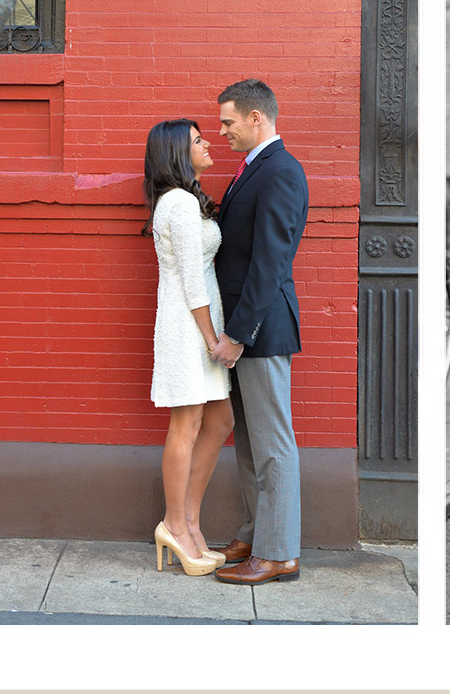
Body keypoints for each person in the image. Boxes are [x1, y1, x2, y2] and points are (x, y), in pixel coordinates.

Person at [208, 79, 309, 585]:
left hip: (262, 330)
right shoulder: (253, 170)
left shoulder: (281, 172)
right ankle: (255, 534)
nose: (220, 130)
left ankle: (279, 553)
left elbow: (270, 263)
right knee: (249, 443)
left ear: (256, 118)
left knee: (273, 445)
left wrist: (238, 333)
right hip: (247, 328)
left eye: (227, 121)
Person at [142, 119, 235, 577]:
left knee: (219, 420)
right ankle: (175, 526)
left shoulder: (188, 200)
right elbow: (191, 281)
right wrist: (212, 337)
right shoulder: (177, 203)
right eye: (198, 140)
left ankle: (191, 521)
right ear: (178, 153)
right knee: (188, 422)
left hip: (204, 322)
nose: (207, 143)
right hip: (187, 325)